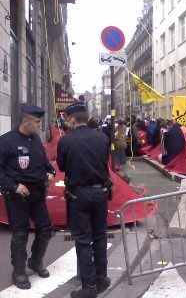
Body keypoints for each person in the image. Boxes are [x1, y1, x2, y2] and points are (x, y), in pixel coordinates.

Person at [56, 102, 111, 298]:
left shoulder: (66, 141)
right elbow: (105, 161)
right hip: (100, 193)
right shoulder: (102, 138)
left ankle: (89, 287)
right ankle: (101, 279)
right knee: (99, 236)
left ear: (72, 120)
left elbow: (61, 167)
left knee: (83, 240)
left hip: (79, 195)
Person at [0, 103, 56, 290]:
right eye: (37, 122)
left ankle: (36, 261)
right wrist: (13, 186)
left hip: (38, 192)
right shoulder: (6, 141)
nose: (40, 125)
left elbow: (44, 162)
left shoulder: (36, 140)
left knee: (46, 229)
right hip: (18, 196)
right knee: (20, 234)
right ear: (26, 121)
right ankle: (19, 272)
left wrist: (51, 173)